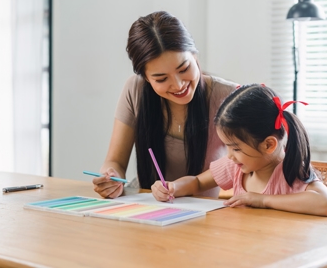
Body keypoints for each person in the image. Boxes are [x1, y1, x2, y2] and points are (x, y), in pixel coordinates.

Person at [92, 11, 239, 198]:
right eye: (161, 78)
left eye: (184, 68)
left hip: (205, 215)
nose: (178, 85)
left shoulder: (228, 96)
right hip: (146, 207)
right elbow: (115, 162)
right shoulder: (135, 89)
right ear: (145, 77)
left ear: (194, 55)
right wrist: (111, 178)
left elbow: (250, 164)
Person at [151, 84, 327, 217]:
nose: (229, 155)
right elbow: (198, 182)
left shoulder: (290, 171)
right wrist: (174, 187)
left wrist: (263, 200)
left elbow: (326, 204)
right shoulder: (236, 165)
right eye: (227, 147)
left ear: (268, 145)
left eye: (236, 148)